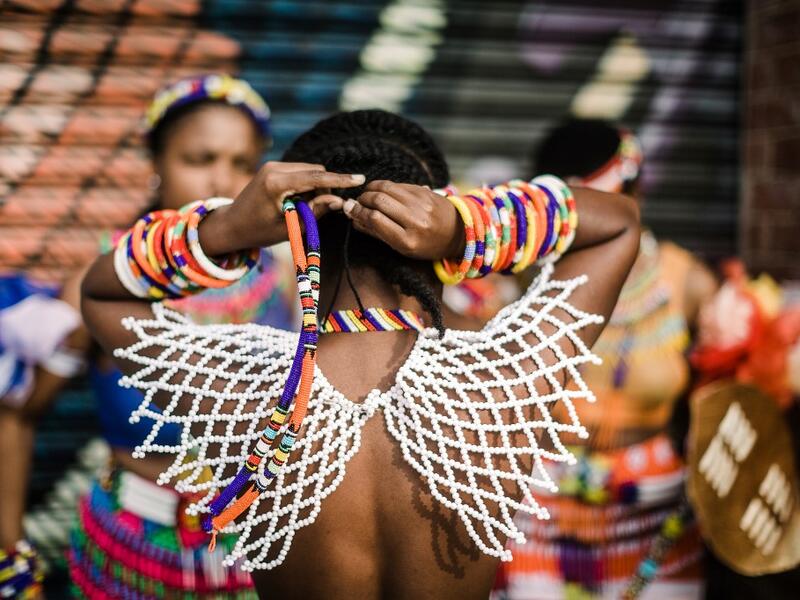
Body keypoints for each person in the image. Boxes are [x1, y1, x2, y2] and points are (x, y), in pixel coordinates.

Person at [79, 109, 640, 599]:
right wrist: (466, 227)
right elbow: (616, 224)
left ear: (296, 237)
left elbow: (103, 291)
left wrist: (226, 228)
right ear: (428, 237)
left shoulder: (239, 386)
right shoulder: (503, 378)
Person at [52, 74, 295, 599]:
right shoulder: (102, 282)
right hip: (127, 551)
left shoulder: (288, 282)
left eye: (241, 164)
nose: (222, 181)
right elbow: (16, 412)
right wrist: (8, 551)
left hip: (257, 556)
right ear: (156, 164)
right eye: (199, 159)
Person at [494, 119, 718, 599]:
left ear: (633, 197)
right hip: (540, 510)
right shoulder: (519, 279)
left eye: (597, 205)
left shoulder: (687, 282)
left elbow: (721, 396)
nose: (585, 222)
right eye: (570, 210)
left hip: (655, 513)